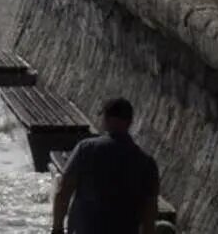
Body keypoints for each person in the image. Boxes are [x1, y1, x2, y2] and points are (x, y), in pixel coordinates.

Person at [51, 98, 159, 234]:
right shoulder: (147, 163)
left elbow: (63, 191)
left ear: (106, 119)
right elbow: (150, 213)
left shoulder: (86, 149)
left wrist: (57, 229)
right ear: (130, 122)